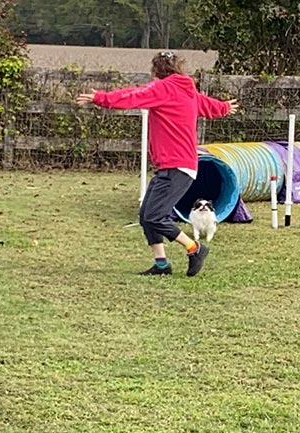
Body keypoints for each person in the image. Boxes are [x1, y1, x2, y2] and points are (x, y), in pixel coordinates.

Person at [76, 51, 239, 277]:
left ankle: (195, 248)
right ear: (178, 68)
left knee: (155, 217)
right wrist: (223, 107)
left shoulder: (163, 88)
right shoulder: (188, 90)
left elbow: (133, 96)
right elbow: (207, 105)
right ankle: (161, 264)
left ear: (156, 71)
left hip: (176, 165)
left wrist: (101, 98)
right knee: (146, 216)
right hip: (176, 165)